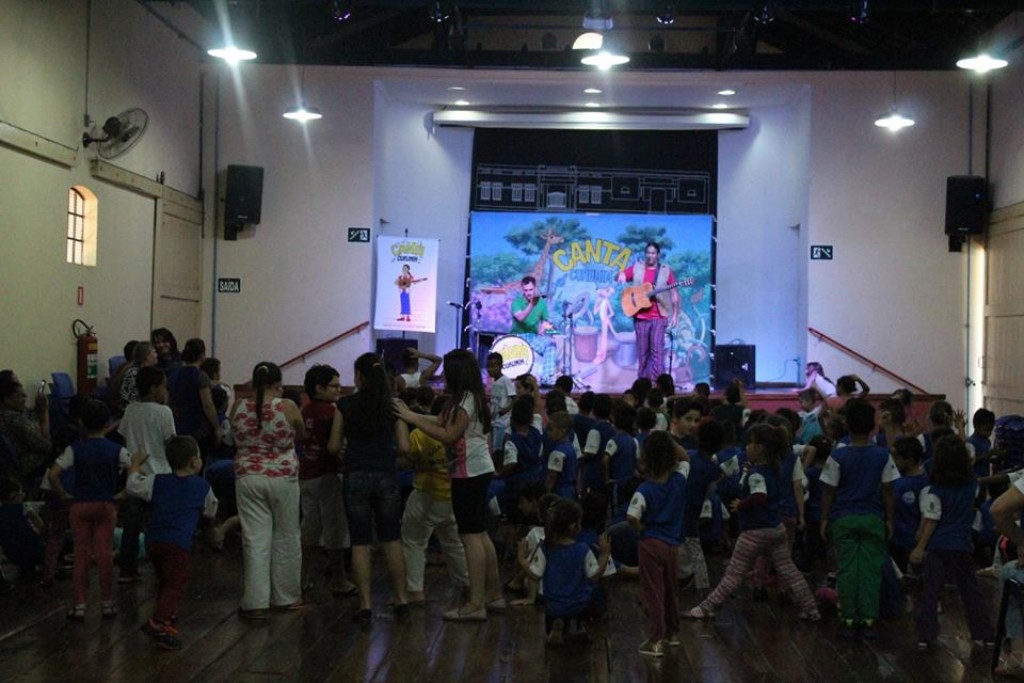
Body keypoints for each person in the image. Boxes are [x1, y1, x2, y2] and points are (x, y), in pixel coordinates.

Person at [394, 349, 503, 622]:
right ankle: (494, 594)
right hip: (479, 469)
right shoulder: (472, 398)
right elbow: (443, 422)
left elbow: (448, 434)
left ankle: (475, 603)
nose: (442, 377)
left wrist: (411, 418)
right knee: (480, 534)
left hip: (468, 472)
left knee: (470, 537)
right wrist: (415, 415)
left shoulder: (464, 401)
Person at [683, 423, 820, 624]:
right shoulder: (775, 467)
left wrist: (742, 504)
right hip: (776, 528)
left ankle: (707, 607)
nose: (746, 447)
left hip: (754, 531)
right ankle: (811, 608)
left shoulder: (757, 473)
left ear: (759, 448)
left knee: (734, 573)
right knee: (789, 570)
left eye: (750, 443)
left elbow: (759, 495)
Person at [126, 435, 218, 650]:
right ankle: (158, 622)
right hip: (179, 544)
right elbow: (211, 509)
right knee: (175, 584)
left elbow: (132, 486)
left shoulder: (157, 480)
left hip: (154, 540)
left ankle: (167, 614)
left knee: (163, 581)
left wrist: (135, 464)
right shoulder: (202, 486)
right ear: (194, 461)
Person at [819, 398, 899, 639]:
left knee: (847, 570)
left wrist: (824, 519)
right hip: (872, 518)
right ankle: (868, 619)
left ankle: (848, 618)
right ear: (874, 426)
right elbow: (887, 490)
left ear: (848, 426)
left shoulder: (837, 456)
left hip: (843, 518)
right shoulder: (883, 455)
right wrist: (890, 519)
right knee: (870, 571)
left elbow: (829, 491)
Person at [231, 361, 305, 619]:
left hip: (247, 476)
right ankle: (285, 597)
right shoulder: (288, 406)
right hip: (283, 476)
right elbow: (301, 433)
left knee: (254, 538)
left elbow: (232, 436)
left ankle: (255, 602)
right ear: (278, 383)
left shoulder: (238, 407)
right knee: (287, 535)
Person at [338, 353, 410, 620]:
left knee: (360, 540)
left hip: (355, 474)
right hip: (386, 475)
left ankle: (365, 603)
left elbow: (334, 445)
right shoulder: (394, 407)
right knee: (391, 537)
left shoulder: (345, 404)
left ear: (359, 377)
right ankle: (402, 599)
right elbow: (405, 447)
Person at [47, 399, 132, 620]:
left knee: (81, 554)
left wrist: (64, 494)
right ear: (108, 423)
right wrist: (122, 494)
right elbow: (134, 471)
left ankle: (80, 604)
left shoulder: (74, 449)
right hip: (106, 504)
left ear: (81, 423)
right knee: (104, 554)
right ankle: (107, 603)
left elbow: (53, 474)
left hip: (79, 505)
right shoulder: (117, 450)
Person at [911, 435, 994, 651]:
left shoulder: (934, 490)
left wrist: (919, 546)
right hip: (962, 545)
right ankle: (982, 634)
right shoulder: (972, 485)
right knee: (970, 590)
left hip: (938, 546)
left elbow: (931, 520)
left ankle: (925, 636)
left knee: (931, 591)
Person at [397, 396, 469, 605]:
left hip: (426, 493)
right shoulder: (460, 435)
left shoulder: (420, 435)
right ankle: (466, 583)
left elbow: (405, 460)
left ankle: (415, 590)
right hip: (453, 494)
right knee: (454, 543)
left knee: (414, 541)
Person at [627, 430, 688, 657]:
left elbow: (632, 517)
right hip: (673, 545)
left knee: (654, 592)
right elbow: (685, 459)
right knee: (672, 590)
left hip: (651, 543)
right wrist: (669, 442)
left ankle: (655, 639)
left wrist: (642, 529)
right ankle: (672, 634)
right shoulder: (679, 480)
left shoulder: (644, 490)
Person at [519, 498, 611, 646]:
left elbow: (535, 575)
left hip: (552, 606)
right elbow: (594, 576)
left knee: (558, 611)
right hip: (579, 604)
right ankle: (577, 627)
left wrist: (522, 560)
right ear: (574, 526)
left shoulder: (546, 548)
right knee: (593, 591)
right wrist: (604, 555)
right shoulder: (583, 549)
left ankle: (556, 628)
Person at [116, 366, 176, 584]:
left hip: (135, 474)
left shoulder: (130, 410)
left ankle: (127, 568)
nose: (166, 391)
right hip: (161, 475)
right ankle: (162, 568)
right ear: (153, 388)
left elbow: (123, 440)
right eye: (163, 387)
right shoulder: (164, 412)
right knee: (161, 525)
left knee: (132, 523)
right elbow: (171, 443)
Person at [298, 364, 353, 596]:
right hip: (328, 474)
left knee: (309, 528)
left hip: (307, 473)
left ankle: (302, 577)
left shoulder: (307, 410)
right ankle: (339, 580)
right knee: (335, 530)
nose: (339, 389)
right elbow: (337, 444)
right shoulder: (331, 412)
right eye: (334, 385)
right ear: (319, 388)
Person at [617, 242, 680, 382]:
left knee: (657, 351)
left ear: (657, 255)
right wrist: (620, 276)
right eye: (648, 252)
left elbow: (674, 293)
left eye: (653, 253)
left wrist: (675, 314)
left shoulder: (665, 270)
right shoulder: (637, 268)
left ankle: (658, 386)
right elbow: (620, 276)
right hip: (641, 317)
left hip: (659, 316)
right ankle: (643, 384)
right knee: (642, 352)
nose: (650, 255)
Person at [168, 338, 221, 457]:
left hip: (178, 425)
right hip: (198, 428)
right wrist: (216, 427)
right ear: (202, 355)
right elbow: (207, 405)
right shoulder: (200, 376)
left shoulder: (173, 375)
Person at [0, 370, 51, 494]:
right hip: (30, 465)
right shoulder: (15, 420)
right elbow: (45, 446)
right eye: (20, 396)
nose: (25, 399)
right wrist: (44, 412)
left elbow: (31, 418)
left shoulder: (7, 414)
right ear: (7, 399)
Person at [509, 276, 557, 386]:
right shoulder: (517, 302)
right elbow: (520, 317)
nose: (529, 293)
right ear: (522, 290)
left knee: (551, 344)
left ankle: (547, 379)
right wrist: (531, 304)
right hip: (518, 336)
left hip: (532, 337)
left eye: (531, 290)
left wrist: (544, 327)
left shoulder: (541, 303)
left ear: (535, 288)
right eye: (526, 290)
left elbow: (546, 321)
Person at [118, 342, 158, 415]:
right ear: (147, 356)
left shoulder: (150, 371)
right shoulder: (133, 373)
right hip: (133, 412)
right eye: (154, 352)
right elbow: (129, 399)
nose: (157, 355)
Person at [487, 352, 515, 454]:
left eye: (493, 366)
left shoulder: (506, 381)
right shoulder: (494, 382)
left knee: (498, 450)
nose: (490, 369)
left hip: (502, 423)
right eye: (488, 366)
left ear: (500, 366)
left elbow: (514, 398)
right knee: (494, 448)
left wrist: (506, 409)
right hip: (494, 421)